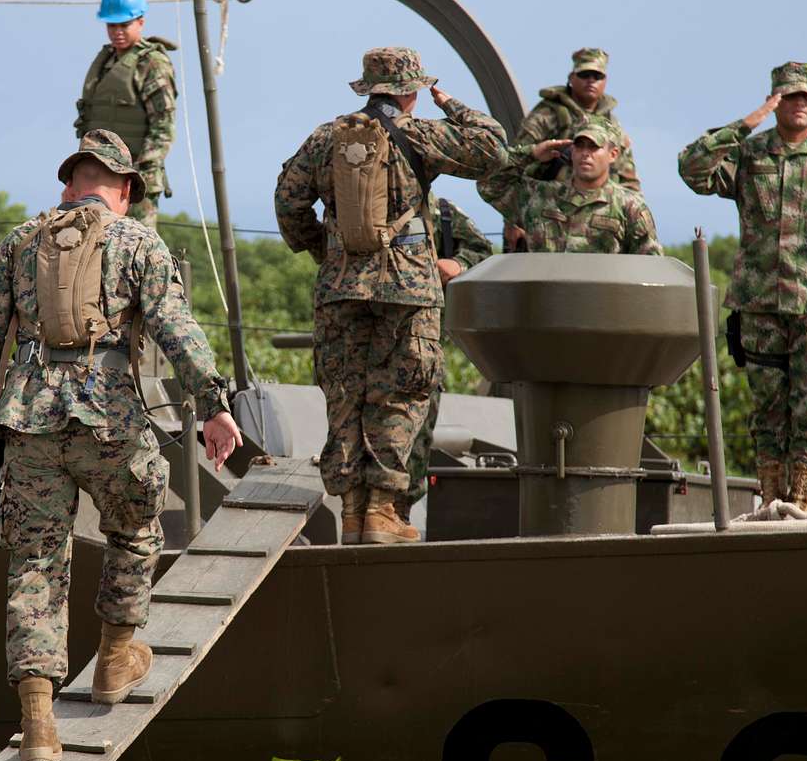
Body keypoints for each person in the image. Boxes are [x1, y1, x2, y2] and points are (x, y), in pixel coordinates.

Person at [0, 130, 242, 761]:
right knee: (137, 529)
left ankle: (37, 721)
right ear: (125, 191)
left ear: (70, 185)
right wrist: (213, 404)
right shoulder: (139, 239)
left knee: (34, 563)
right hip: (110, 417)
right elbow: (176, 327)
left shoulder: (22, 241)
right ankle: (115, 658)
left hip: (30, 421)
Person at [275, 46, 510, 546]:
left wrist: (330, 253)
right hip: (409, 287)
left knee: (345, 396)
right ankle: (384, 511)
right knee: (400, 395)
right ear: (411, 91)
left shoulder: (325, 138)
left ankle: (353, 514)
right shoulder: (420, 134)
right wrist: (451, 104)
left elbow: (288, 202)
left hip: (339, 290)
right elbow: (493, 148)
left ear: (368, 87)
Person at [678, 62, 807, 512]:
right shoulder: (749, 155)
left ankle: (801, 502)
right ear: (774, 102)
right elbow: (691, 168)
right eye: (788, 97)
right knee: (768, 412)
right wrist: (744, 124)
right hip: (760, 305)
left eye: (805, 97)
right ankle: (771, 500)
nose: (798, 105)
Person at [480, 47, 642, 247]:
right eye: (584, 74)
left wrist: (631, 214)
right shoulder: (547, 116)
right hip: (549, 211)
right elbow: (513, 164)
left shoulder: (613, 126)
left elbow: (630, 181)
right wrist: (513, 221)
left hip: (604, 213)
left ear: (605, 81)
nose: (591, 80)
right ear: (572, 78)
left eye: (597, 76)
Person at [398, 195, 494, 525]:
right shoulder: (359, 204)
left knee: (418, 435)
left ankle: (400, 516)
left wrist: (459, 263)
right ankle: (365, 515)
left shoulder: (443, 212)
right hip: (364, 349)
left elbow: (482, 251)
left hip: (420, 348)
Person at [75, 0, 178, 225]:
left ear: (140, 22)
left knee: (138, 248)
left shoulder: (151, 64)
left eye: (124, 25)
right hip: (97, 174)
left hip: (135, 177)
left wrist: (141, 172)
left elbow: (163, 127)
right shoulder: (105, 63)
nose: (117, 32)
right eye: (112, 25)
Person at [489, 116, 663, 255]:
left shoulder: (630, 207)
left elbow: (650, 268)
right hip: (544, 297)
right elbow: (489, 182)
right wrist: (531, 153)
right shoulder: (539, 196)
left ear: (613, 154)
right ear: (571, 151)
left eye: (594, 147)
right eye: (579, 146)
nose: (585, 154)